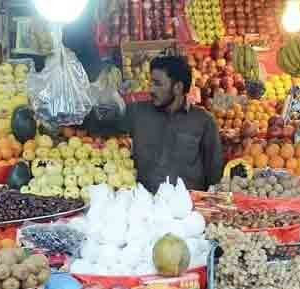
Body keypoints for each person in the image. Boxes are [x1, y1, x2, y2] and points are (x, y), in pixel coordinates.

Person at [86, 55, 223, 193]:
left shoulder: (203, 121)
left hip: (186, 208)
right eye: (151, 83)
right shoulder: (137, 112)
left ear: (178, 88)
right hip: (146, 205)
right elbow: (99, 125)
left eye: (157, 84)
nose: (151, 89)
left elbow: (215, 175)